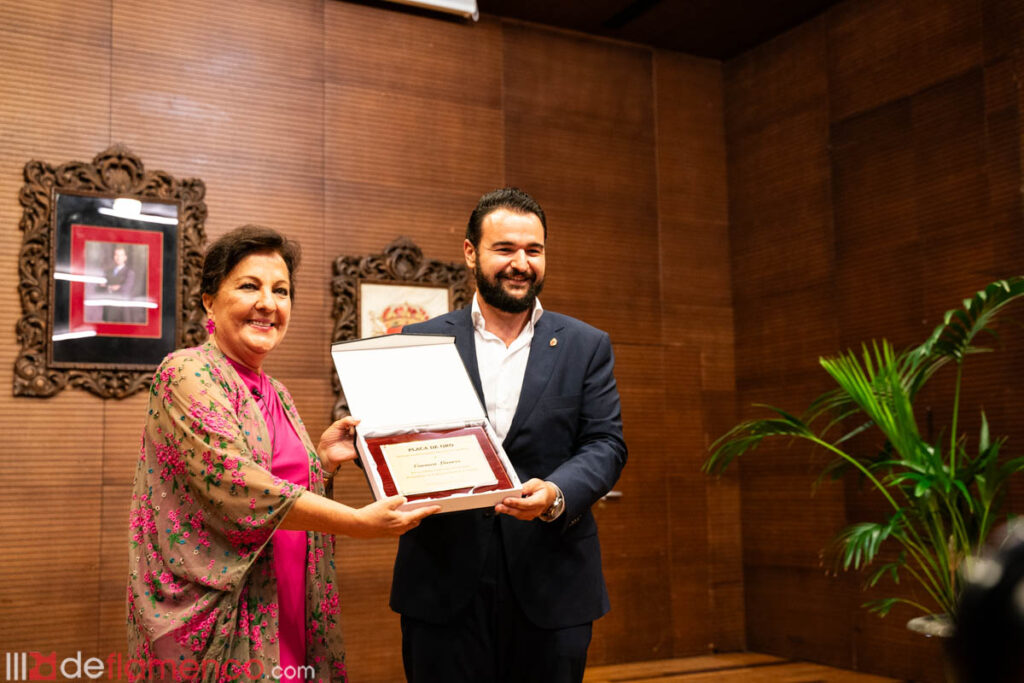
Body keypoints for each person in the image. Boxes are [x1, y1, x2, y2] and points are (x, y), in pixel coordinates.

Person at [127, 225, 438, 682]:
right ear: (209, 300)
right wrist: (356, 523)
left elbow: (277, 480)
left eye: (281, 290)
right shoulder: (186, 372)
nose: (268, 304)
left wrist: (322, 461)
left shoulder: (277, 393)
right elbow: (235, 484)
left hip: (291, 598)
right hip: (225, 612)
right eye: (249, 286)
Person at [393, 188, 628, 682]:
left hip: (553, 580)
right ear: (470, 252)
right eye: (505, 249)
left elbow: (605, 443)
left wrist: (556, 491)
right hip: (442, 583)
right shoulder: (420, 342)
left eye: (533, 250)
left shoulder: (586, 346)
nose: (520, 263)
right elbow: (400, 444)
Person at [100, 245, 137, 322]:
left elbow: (126, 289)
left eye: (121, 255)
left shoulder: (129, 273)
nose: (118, 257)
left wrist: (109, 287)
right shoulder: (108, 272)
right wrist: (111, 287)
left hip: (122, 310)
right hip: (109, 309)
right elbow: (100, 286)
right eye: (116, 255)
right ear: (114, 257)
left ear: (125, 257)